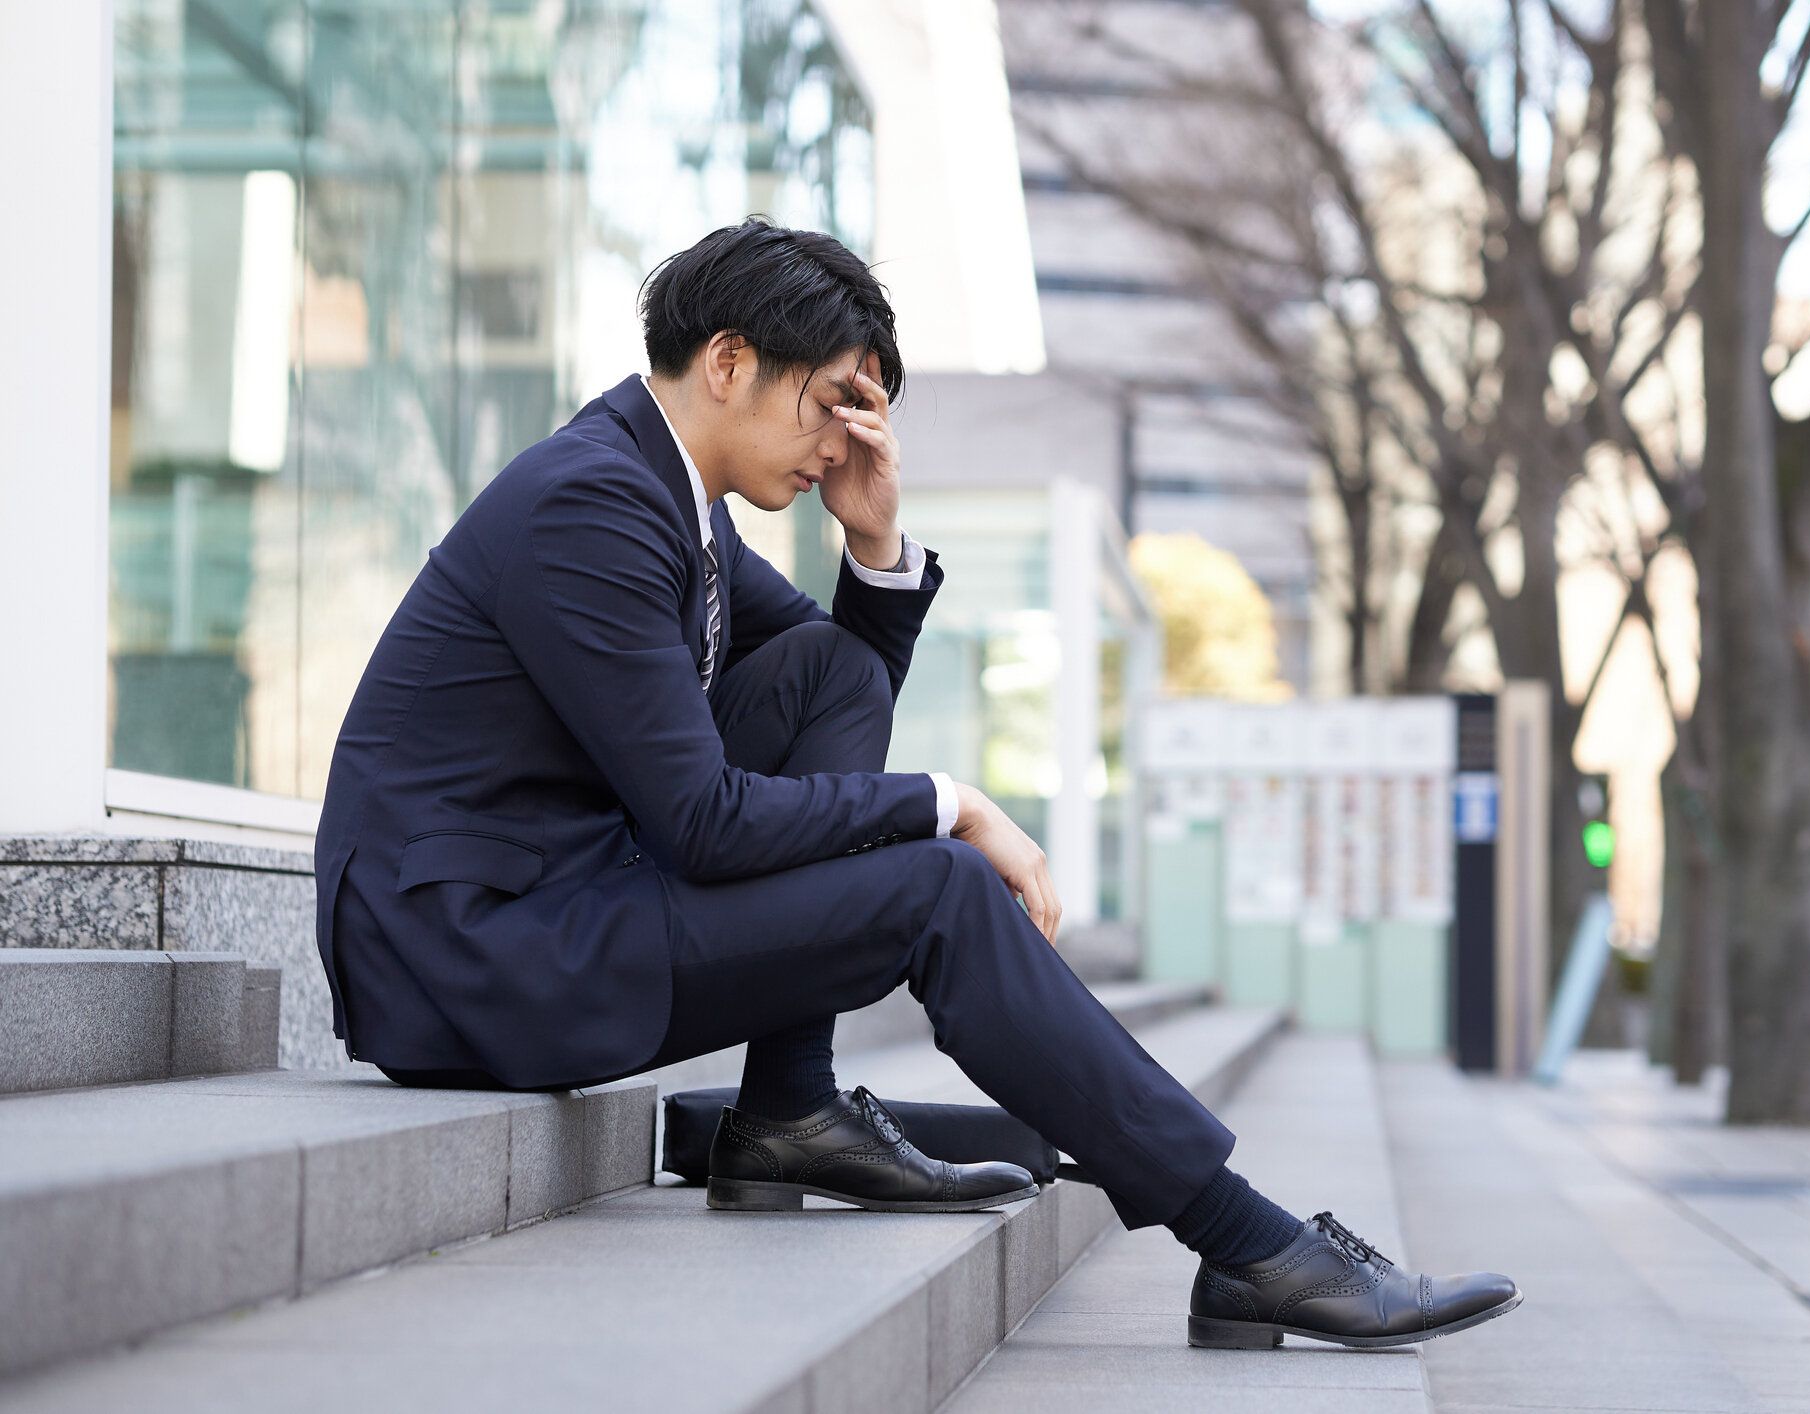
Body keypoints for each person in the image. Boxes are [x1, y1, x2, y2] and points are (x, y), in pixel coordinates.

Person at [311, 215, 1522, 1350]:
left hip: (549, 900)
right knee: (940, 885)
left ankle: (789, 1106)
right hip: (467, 956)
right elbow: (704, 821)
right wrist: (951, 801)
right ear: (729, 361)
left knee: (832, 667)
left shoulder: (674, 501)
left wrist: (875, 547)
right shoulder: (593, 501)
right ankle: (1248, 1241)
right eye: (833, 402)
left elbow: (837, 689)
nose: (846, 438)